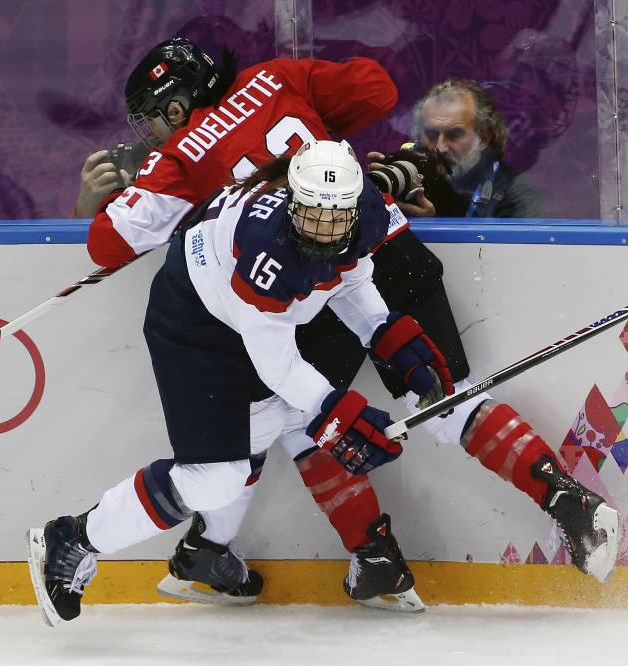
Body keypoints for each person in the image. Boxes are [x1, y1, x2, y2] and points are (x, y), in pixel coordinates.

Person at [75, 38, 435, 613]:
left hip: (278, 281)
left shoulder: (180, 155)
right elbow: (377, 88)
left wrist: (104, 198)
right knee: (278, 417)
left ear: (176, 107)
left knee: (278, 418)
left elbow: (107, 243)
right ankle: (333, 552)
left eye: (153, 118)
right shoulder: (278, 79)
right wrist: (315, 140)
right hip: (266, 283)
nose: (153, 132)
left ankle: (211, 550)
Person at [368, 78, 545, 220]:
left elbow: (509, 263)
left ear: (483, 139)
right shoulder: (412, 176)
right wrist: (376, 195)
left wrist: (429, 225)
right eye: (431, 134)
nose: (440, 147)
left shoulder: (517, 194)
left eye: (454, 134)